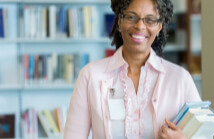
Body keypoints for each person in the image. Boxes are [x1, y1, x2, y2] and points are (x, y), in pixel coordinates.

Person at [63, 0, 201, 138]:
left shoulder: (180, 79)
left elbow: (204, 135)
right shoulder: (90, 76)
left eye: (150, 20)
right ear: (119, 20)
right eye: (131, 17)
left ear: (159, 26)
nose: (140, 26)